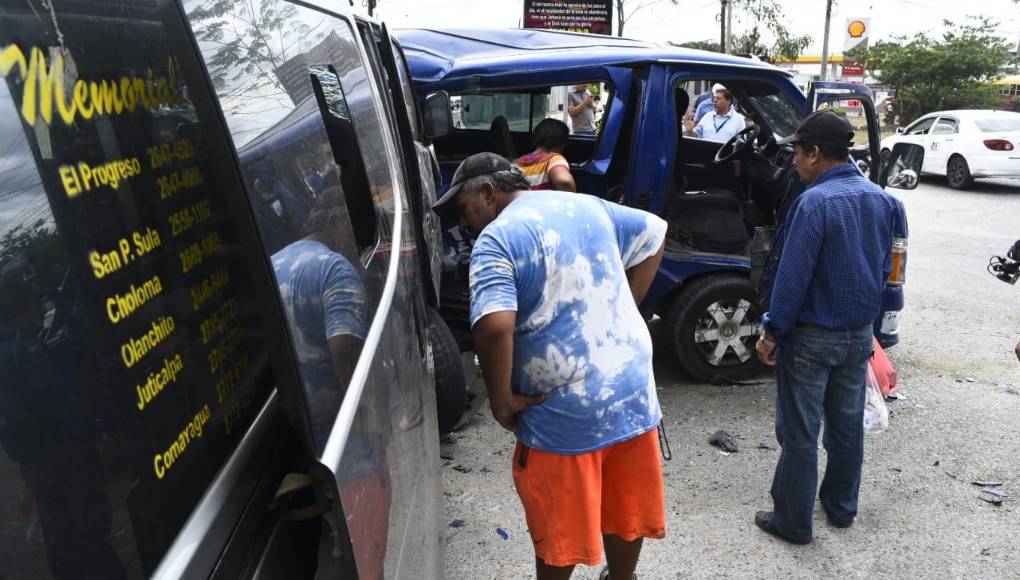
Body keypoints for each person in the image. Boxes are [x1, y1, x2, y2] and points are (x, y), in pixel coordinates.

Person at [433, 152, 668, 580]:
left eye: (464, 210)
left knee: (559, 527)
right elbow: (654, 233)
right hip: (632, 391)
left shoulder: (497, 239)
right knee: (626, 506)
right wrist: (623, 313)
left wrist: (501, 402)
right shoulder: (586, 205)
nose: (464, 224)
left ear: (488, 192)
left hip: (564, 411)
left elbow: (494, 327)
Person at [753, 111, 902, 544]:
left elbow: (792, 280)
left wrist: (771, 332)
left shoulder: (813, 203)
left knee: (800, 433)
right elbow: (884, 269)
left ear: (815, 153)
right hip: (858, 337)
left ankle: (793, 522)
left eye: (798, 153)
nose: (794, 161)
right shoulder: (883, 200)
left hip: (811, 339)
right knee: (846, 425)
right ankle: (841, 508)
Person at [513, 118, 576, 192]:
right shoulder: (554, 159)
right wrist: (573, 198)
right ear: (562, 144)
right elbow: (565, 182)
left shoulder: (517, 162)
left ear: (535, 141)